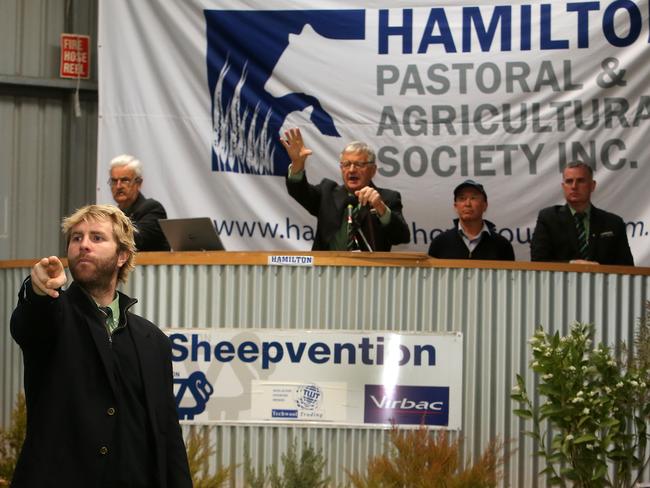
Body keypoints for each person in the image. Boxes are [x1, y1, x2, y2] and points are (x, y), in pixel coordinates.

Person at [10, 204, 192, 487]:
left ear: (122, 256)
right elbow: (29, 324)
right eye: (76, 237)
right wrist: (38, 292)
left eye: (97, 238)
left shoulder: (153, 340)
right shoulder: (54, 315)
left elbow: (167, 434)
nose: (83, 245)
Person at [281, 128, 410, 251]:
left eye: (359, 164)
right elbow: (298, 190)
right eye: (346, 164)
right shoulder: (327, 192)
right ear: (341, 169)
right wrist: (297, 164)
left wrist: (380, 207)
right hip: (326, 270)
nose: (352, 170)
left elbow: (401, 237)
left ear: (373, 170)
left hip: (370, 272)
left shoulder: (387, 198)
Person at [530, 161, 634, 265]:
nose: (574, 186)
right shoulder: (548, 218)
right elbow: (538, 260)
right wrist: (572, 265)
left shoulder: (613, 223)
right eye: (569, 181)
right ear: (563, 186)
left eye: (580, 181)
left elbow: (627, 268)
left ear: (592, 186)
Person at [427, 180, 514, 260]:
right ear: (456, 206)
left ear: (485, 205)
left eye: (473, 198)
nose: (467, 204)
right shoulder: (440, 243)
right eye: (462, 199)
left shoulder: (502, 245)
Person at [109, 154, 170, 251]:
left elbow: (135, 240)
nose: (118, 186)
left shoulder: (153, 209)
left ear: (139, 183)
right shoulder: (112, 214)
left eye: (125, 180)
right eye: (114, 181)